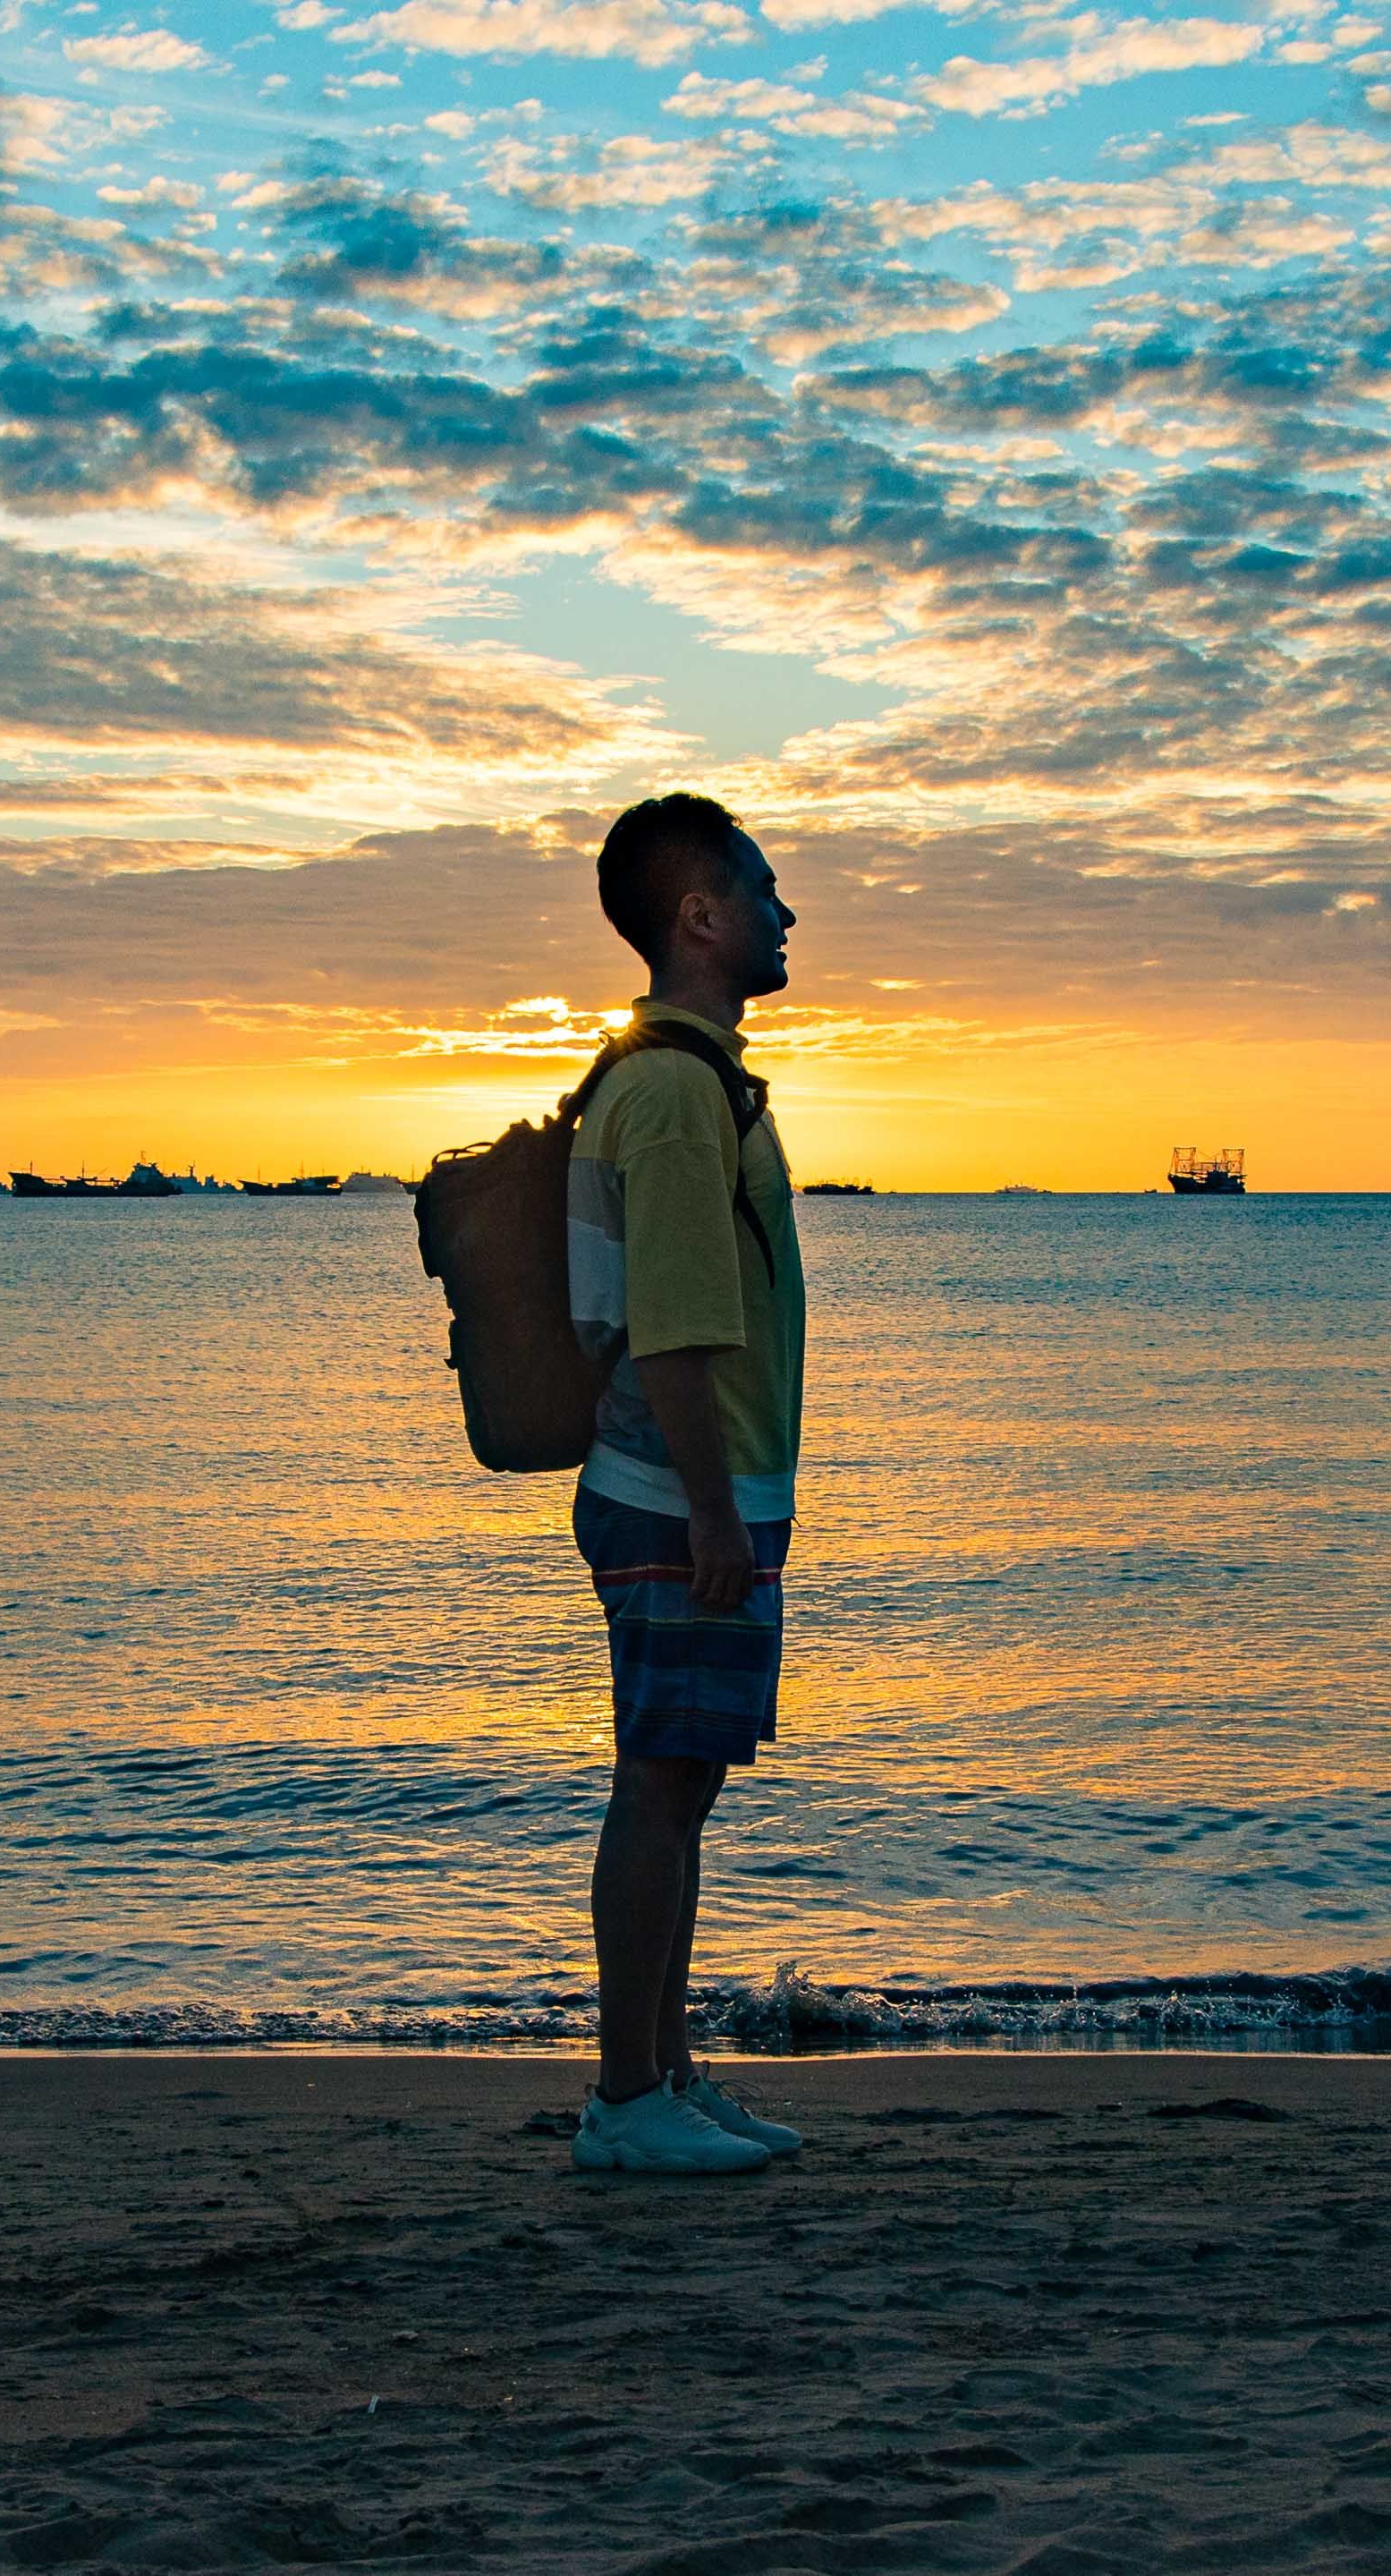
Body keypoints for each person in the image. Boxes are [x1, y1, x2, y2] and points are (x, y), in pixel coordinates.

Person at [564, 793, 810, 2177]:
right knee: (660, 1788)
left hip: (701, 1494)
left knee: (684, 1785)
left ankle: (661, 2074)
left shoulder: (700, 1082)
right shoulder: (666, 1090)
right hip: (674, 1499)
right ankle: (623, 2100)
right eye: (765, 890)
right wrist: (714, 1513)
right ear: (701, 917)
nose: (787, 915)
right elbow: (673, 1322)